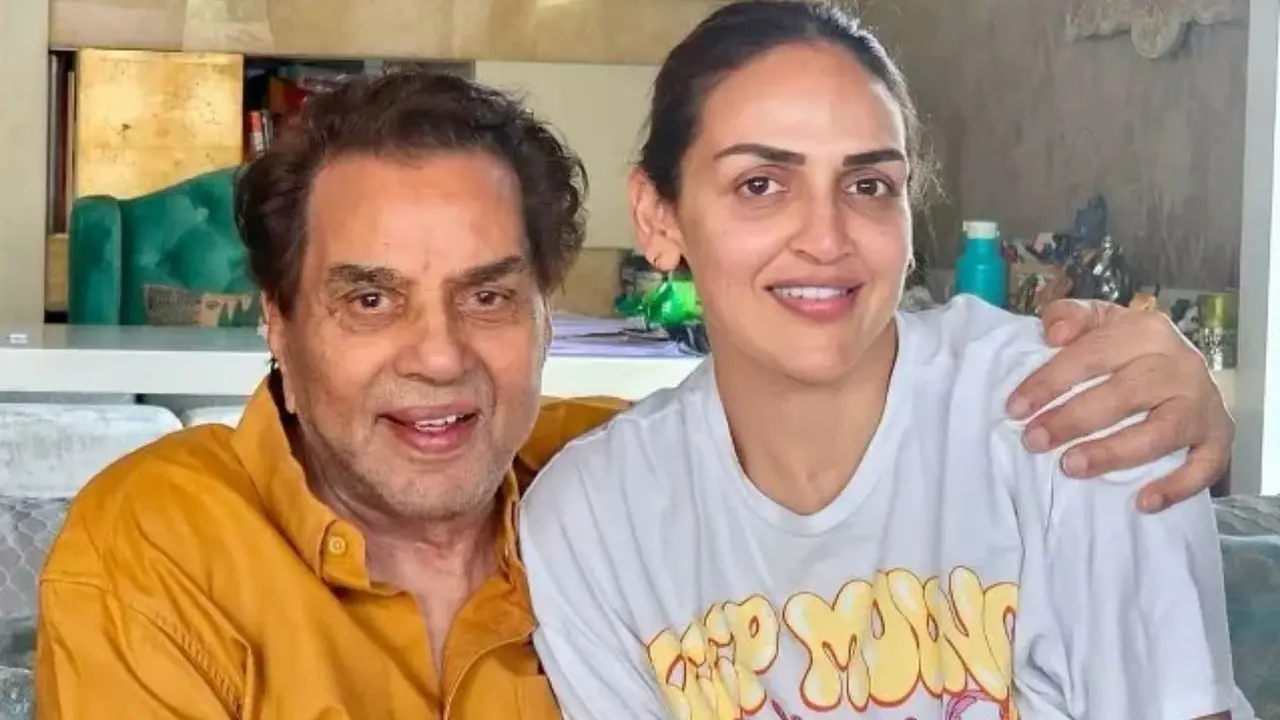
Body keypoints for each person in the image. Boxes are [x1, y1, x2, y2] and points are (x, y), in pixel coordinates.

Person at [33, 68, 1230, 718]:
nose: (439, 356)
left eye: (489, 295)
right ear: (278, 323)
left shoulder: (604, 488)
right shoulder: (157, 550)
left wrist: (1161, 384)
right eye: (370, 300)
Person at [519, 2, 1249, 719]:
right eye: (760, 184)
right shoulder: (596, 522)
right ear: (658, 216)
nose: (826, 239)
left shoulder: (1081, 417)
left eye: (867, 186)